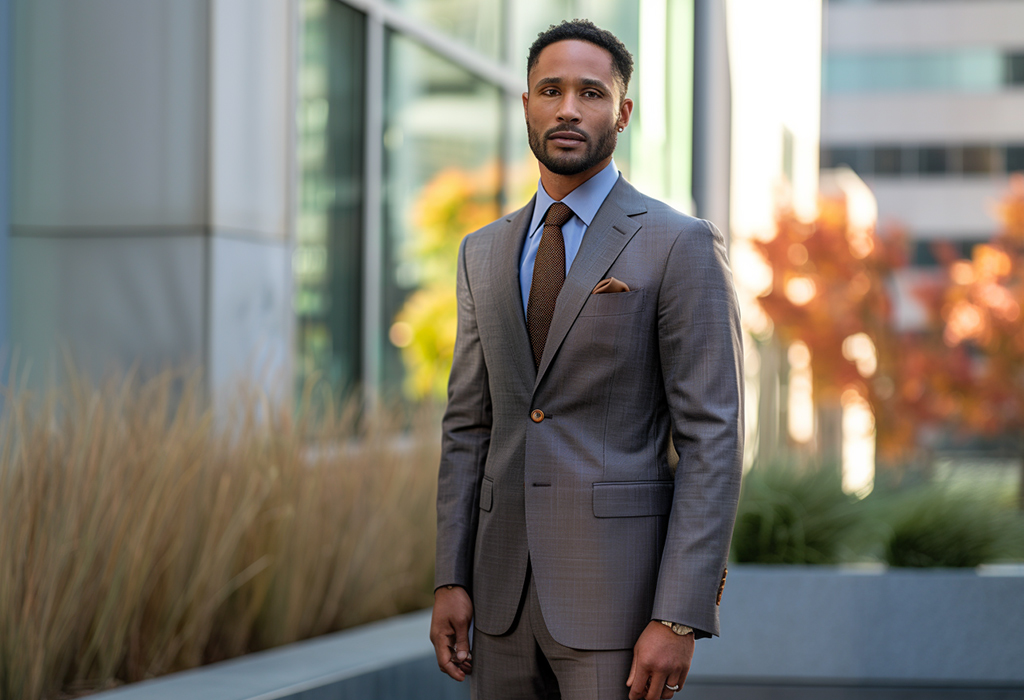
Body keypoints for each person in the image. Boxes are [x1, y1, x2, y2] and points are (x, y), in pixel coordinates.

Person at [429, 19, 743, 700]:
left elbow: (712, 440)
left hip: (619, 607)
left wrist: (680, 613)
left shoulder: (677, 244)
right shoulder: (481, 252)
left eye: (591, 93)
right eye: (551, 90)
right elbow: (468, 427)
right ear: (526, 105)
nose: (568, 108)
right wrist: (451, 577)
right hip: (500, 599)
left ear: (622, 112)